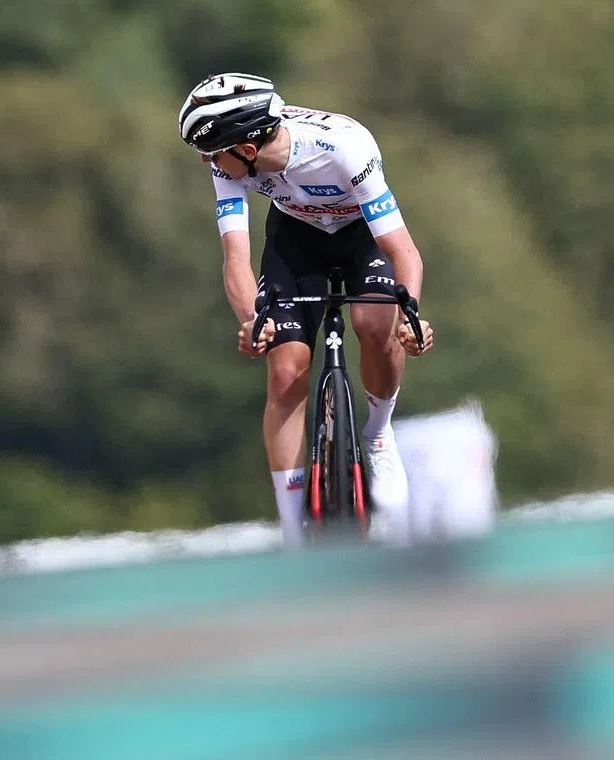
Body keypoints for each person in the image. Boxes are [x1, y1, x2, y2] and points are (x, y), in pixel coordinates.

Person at [178, 73, 434, 548]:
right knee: (286, 368)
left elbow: (404, 252)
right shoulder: (229, 162)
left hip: (362, 238)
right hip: (294, 244)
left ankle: (377, 434)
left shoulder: (345, 149)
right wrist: (252, 320)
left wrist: (410, 313)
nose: (207, 162)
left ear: (248, 150)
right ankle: (295, 531)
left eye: (211, 152)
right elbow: (235, 257)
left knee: (374, 321)